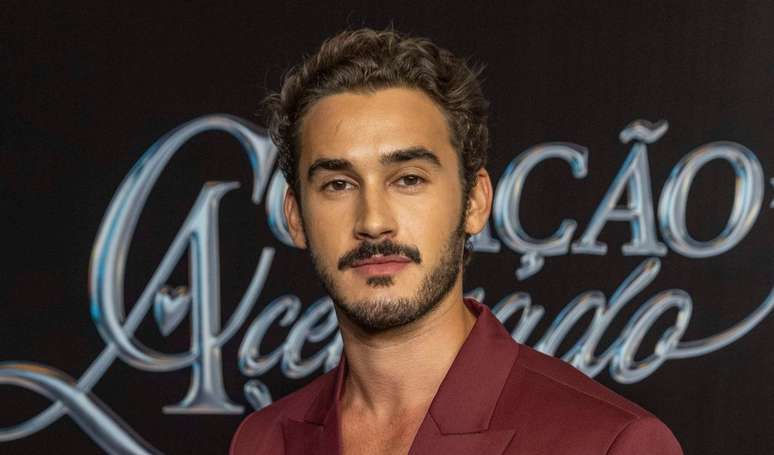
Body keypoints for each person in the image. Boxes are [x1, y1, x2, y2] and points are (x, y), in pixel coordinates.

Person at [230, 27, 683, 455]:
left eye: (408, 179)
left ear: (475, 202)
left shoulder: (610, 443)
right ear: (296, 216)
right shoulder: (261, 441)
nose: (373, 222)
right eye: (338, 184)